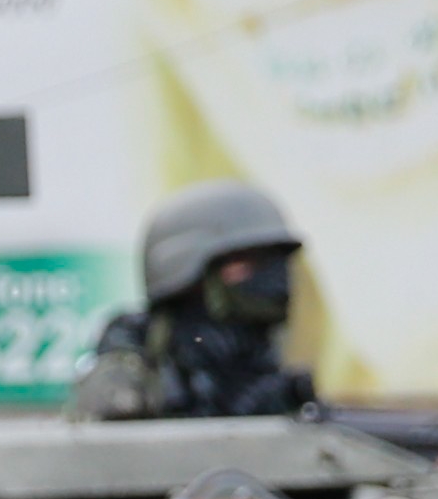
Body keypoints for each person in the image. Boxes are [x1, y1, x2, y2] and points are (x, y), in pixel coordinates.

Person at [72, 175, 315, 419]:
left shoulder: (261, 353)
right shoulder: (140, 341)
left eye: (273, 262)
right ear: (188, 270)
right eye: (247, 261)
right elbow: (107, 421)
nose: (271, 276)